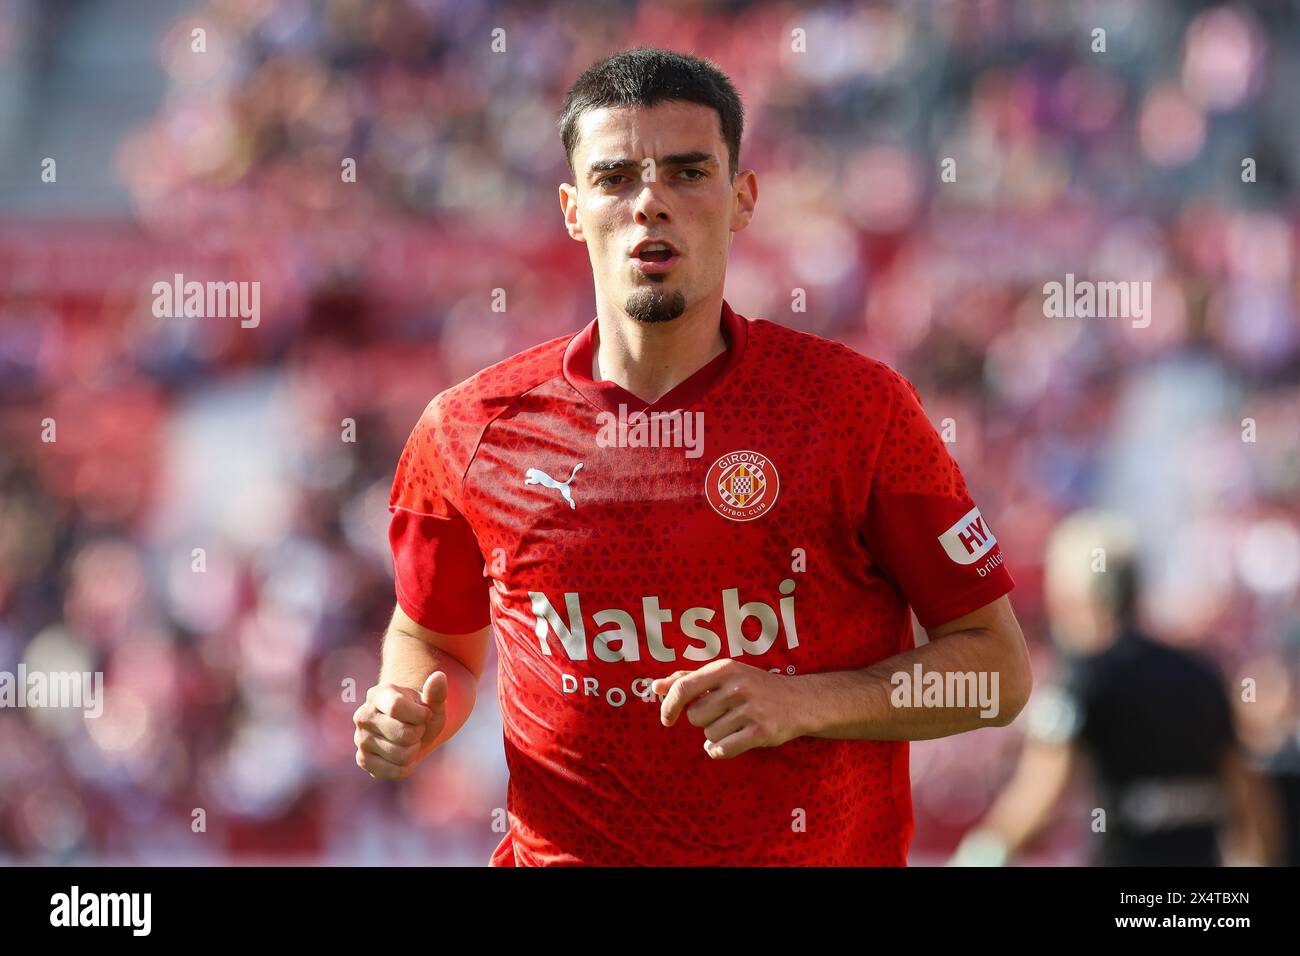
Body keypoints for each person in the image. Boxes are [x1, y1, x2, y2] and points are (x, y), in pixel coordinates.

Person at [354, 47, 1031, 866]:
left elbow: (995, 674)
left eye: (686, 173)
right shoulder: (470, 430)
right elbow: (434, 645)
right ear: (572, 209)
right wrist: (409, 706)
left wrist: (805, 702)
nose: (650, 204)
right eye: (614, 179)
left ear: (742, 197)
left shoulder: (857, 409)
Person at [951, 510, 1278, 866]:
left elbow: (1040, 791)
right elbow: (1249, 795)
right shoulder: (1203, 673)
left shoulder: (1081, 679)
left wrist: (979, 855)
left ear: (1075, 599)